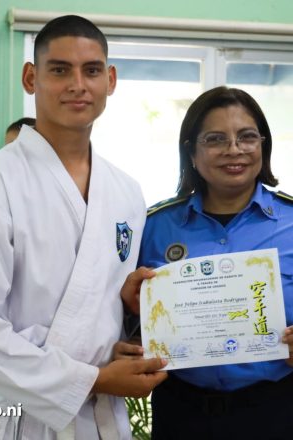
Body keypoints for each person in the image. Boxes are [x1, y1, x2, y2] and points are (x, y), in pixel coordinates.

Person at [0, 15, 167, 440]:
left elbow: (94, 310)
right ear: (31, 78)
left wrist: (125, 315)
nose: (78, 85)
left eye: (92, 70)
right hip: (15, 417)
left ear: (110, 80)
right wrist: (91, 379)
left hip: (102, 416)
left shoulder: (126, 190)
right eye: (60, 70)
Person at [118, 86, 293, 440]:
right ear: (191, 153)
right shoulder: (152, 226)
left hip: (276, 409)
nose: (234, 150)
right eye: (215, 139)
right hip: (180, 410)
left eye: (247, 137)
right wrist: (128, 313)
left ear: (263, 145)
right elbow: (125, 322)